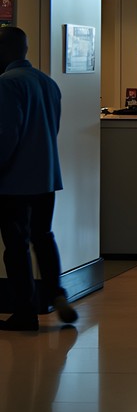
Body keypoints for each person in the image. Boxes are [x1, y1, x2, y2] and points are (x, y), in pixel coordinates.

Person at [0, 27, 78, 331]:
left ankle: (25, 311)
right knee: (43, 238)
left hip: (13, 181)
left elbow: (7, 134)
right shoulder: (47, 82)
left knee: (16, 245)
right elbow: (51, 128)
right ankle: (56, 293)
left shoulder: (7, 84)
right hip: (45, 177)